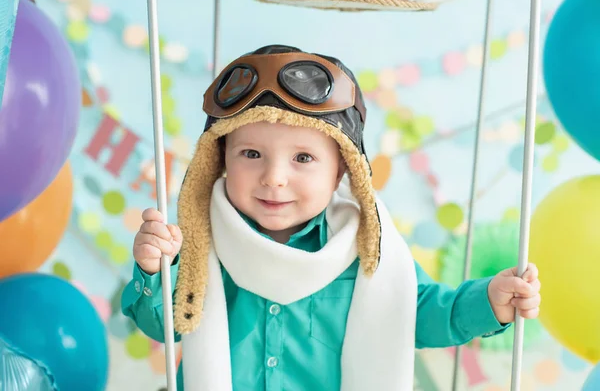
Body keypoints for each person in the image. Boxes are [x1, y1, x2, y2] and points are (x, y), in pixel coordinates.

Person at [122, 44, 541, 391]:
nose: (274, 179)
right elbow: (168, 323)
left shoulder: (368, 248)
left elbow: (419, 314)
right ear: (221, 160)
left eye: (303, 158)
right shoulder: (201, 243)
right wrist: (154, 269)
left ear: (342, 171)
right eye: (251, 155)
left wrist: (488, 304)